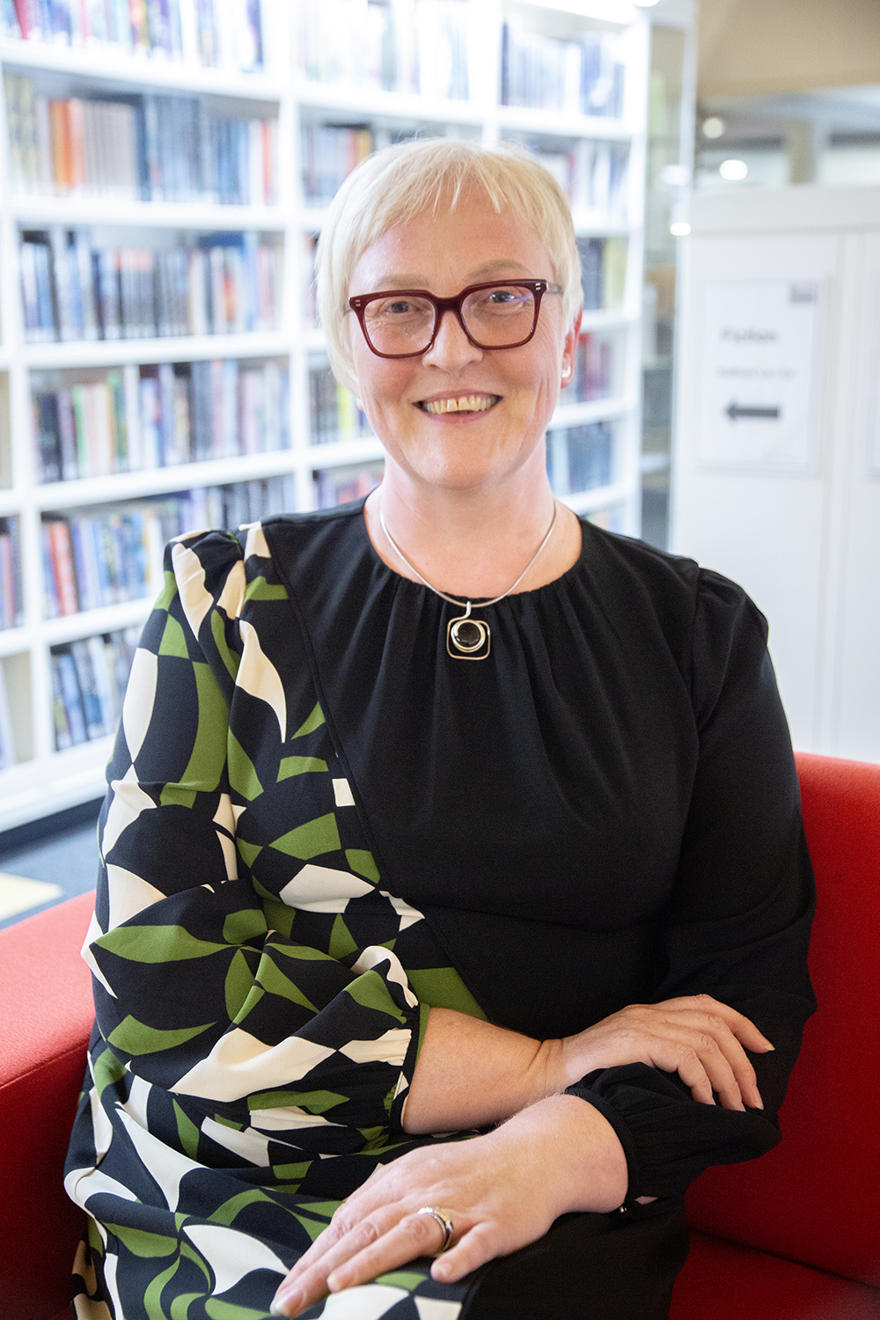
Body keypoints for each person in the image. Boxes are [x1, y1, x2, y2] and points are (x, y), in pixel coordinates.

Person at [65, 138, 815, 1320]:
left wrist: (550, 1143)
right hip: (236, 1164)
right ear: (346, 346)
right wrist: (542, 1062)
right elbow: (155, 974)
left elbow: (744, 1004)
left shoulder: (698, 633)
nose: (452, 349)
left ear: (568, 334)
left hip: (547, 1177)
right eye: (400, 306)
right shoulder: (220, 601)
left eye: (502, 298)